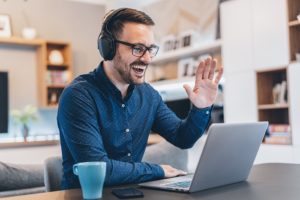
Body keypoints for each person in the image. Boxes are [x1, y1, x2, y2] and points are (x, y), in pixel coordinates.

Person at [57, 8, 223, 189]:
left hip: (133, 193)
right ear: (108, 47)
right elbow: (98, 169)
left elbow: (183, 138)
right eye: (138, 48)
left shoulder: (148, 95)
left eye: (150, 49)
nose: (147, 59)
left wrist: (201, 108)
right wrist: (157, 170)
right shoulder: (78, 96)